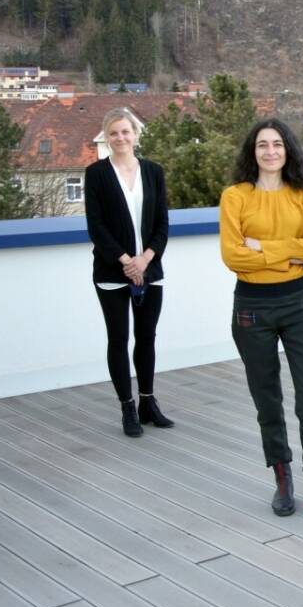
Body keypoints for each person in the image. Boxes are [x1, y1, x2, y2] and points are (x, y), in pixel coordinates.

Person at [220, 119, 303, 523]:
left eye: (277, 144)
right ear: (252, 152)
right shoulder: (235, 197)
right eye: (261, 145)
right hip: (253, 308)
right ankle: (283, 479)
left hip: (300, 304)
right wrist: (293, 252)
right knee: (267, 398)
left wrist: (265, 248)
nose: (270, 151)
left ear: (288, 150)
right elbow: (233, 256)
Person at [84, 107, 172, 437]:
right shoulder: (96, 174)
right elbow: (96, 226)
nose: (121, 138)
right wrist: (126, 261)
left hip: (151, 268)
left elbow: (162, 224)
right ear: (107, 138)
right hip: (111, 270)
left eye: (126, 131)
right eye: (114, 133)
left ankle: (148, 402)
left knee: (146, 337)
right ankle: (128, 408)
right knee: (119, 339)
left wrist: (145, 260)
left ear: (136, 134)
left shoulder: (153, 171)